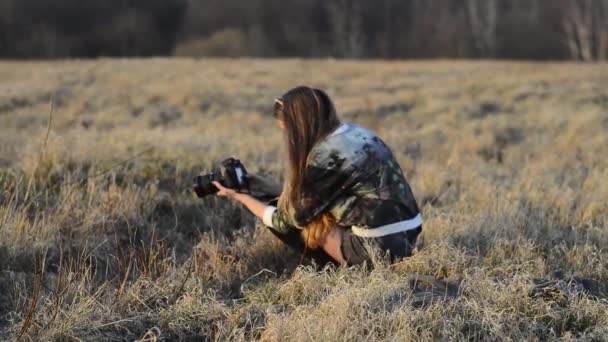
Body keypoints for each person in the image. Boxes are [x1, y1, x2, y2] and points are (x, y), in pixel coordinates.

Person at [212, 86, 422, 266]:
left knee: (309, 222)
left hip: (378, 249)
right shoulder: (355, 133)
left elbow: (286, 220)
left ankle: (345, 266)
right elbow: (318, 197)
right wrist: (263, 185)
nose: (287, 139)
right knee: (311, 211)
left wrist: (241, 198)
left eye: (287, 132)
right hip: (408, 234)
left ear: (299, 127)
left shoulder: (325, 156)